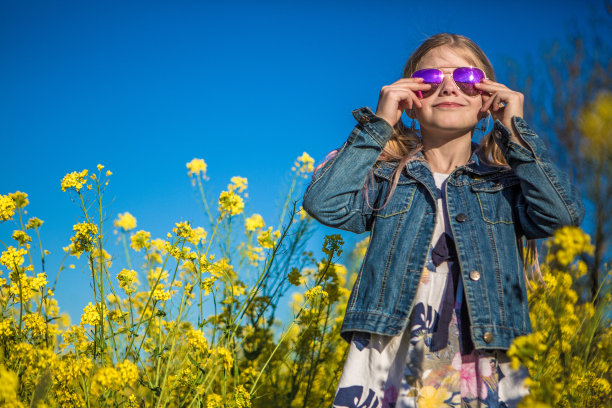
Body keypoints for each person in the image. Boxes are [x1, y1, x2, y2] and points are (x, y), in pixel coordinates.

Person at [301, 33, 585, 408]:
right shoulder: (389, 178)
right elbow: (325, 202)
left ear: (487, 101)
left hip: (482, 359)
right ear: (410, 102)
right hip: (389, 355)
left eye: (468, 78)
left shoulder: (506, 184)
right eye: (430, 80)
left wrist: (515, 129)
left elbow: (561, 215)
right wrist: (381, 122)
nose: (449, 86)